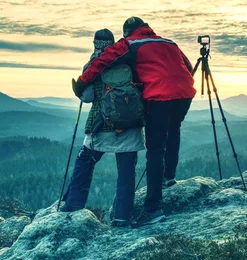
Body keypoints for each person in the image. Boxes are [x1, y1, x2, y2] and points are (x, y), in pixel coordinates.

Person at [72, 17, 196, 228]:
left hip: (158, 98)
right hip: (184, 94)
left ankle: (152, 209)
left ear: (127, 32)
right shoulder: (168, 43)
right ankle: (169, 177)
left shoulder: (130, 44)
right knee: (173, 130)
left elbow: (102, 61)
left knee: (155, 150)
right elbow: (188, 65)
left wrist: (82, 82)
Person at [61, 29, 145, 228]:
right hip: (130, 126)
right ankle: (122, 217)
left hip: (101, 125)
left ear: (95, 44)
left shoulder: (94, 65)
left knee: (85, 162)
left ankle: (73, 206)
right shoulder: (130, 62)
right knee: (126, 172)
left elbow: (87, 97)